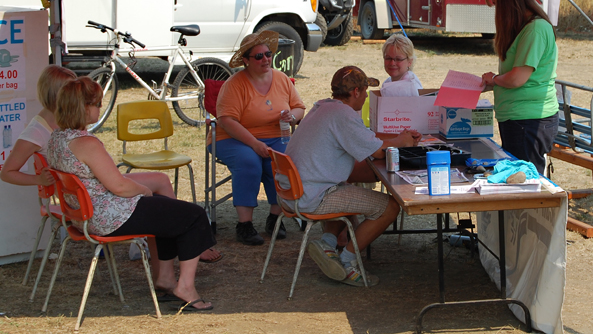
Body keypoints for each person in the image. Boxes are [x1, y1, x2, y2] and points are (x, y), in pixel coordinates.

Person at [0, 65, 221, 265]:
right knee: (156, 198)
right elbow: (7, 172)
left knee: (160, 182)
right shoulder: (43, 133)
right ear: (60, 95)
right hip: (91, 200)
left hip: (86, 195)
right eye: (72, 89)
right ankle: (175, 244)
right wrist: (39, 180)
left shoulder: (61, 131)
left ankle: (173, 246)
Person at [47, 77, 216, 311]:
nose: (99, 108)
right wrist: (145, 191)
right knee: (194, 215)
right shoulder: (86, 144)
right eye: (97, 104)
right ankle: (185, 287)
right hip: (109, 216)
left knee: (166, 211)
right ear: (84, 107)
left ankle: (166, 279)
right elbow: (120, 187)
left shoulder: (56, 139)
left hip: (87, 215)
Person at [279, 65, 421, 287]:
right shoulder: (343, 114)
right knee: (390, 207)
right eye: (364, 92)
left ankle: (327, 244)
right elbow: (377, 151)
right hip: (311, 195)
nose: (365, 97)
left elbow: (366, 136)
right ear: (355, 92)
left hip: (293, 191)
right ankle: (346, 261)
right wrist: (401, 141)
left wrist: (398, 136)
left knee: (346, 183)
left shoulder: (324, 106)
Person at [213, 30, 306, 245]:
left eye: (268, 54)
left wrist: (291, 117)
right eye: (258, 56)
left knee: (284, 160)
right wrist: (254, 144)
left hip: (275, 136)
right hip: (233, 138)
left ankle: (276, 218)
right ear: (245, 61)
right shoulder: (235, 84)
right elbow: (227, 120)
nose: (265, 59)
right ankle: (244, 225)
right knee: (249, 161)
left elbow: (299, 108)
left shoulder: (282, 78)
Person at [481, 0, 559, 174]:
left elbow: (517, 78)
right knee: (515, 178)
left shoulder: (535, 29)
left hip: (529, 121)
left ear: (509, 3)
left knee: (527, 181)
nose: (498, 12)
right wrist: (492, 83)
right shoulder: (524, 28)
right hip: (517, 118)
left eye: (498, 5)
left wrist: (495, 80)